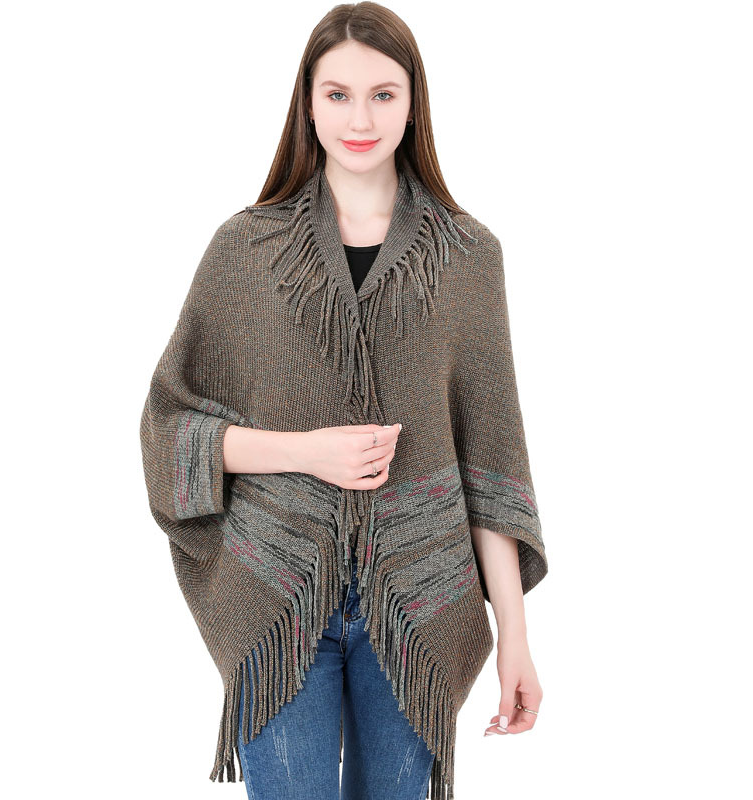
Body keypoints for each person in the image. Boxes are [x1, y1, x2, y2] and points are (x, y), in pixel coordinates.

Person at [139, 4, 548, 799]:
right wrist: (305, 452)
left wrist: (516, 640)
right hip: (277, 596)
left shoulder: (469, 257)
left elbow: (490, 463)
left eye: (383, 95)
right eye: (338, 95)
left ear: (413, 102)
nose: (360, 120)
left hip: (421, 603)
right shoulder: (246, 247)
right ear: (308, 102)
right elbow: (169, 429)